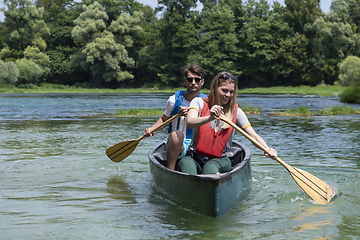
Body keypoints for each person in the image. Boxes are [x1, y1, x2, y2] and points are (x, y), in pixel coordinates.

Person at [179, 71, 277, 174]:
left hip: (220, 159)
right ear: (214, 89)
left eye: (231, 92)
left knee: (210, 168)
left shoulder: (236, 112)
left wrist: (267, 149)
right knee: (186, 163)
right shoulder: (198, 102)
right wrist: (210, 118)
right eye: (224, 90)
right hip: (195, 157)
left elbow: (253, 136)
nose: (228, 95)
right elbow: (190, 122)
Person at [144, 65, 207, 170]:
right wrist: (152, 129)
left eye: (197, 79)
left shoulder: (207, 102)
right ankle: (170, 171)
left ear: (202, 82)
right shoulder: (173, 100)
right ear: (185, 81)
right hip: (177, 143)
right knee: (176, 134)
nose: (193, 82)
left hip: (198, 143)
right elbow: (164, 119)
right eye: (190, 79)